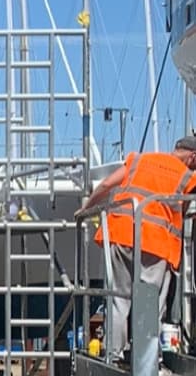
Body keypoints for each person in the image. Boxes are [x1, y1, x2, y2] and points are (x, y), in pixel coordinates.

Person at [77, 138, 196, 354]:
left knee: (118, 301)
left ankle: (114, 354)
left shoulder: (140, 160)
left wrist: (86, 209)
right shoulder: (187, 175)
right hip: (156, 244)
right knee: (149, 305)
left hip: (121, 233)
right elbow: (184, 208)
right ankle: (145, 359)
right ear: (192, 157)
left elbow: (106, 184)